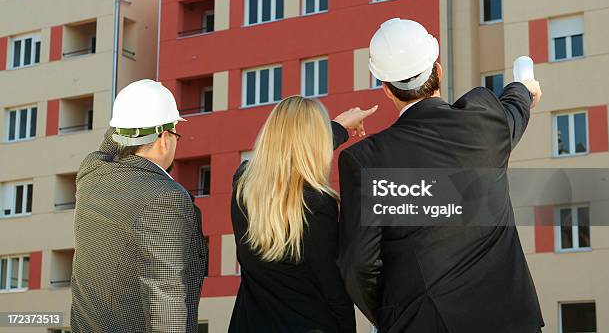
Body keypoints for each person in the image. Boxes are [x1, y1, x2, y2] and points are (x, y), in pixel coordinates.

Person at [337, 18, 545, 333]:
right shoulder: (486, 123)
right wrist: (525, 88)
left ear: (385, 88)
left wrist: (399, 316)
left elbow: (358, 265)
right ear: (438, 70)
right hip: (512, 321)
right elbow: (514, 107)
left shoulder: (367, 160)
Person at [229, 96, 377, 333]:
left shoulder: (243, 183)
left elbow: (286, 155)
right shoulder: (318, 203)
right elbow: (333, 289)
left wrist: (338, 127)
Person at [71, 79, 207, 333]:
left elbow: (111, 141)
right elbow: (166, 300)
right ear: (165, 138)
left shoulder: (92, 172)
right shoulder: (166, 198)